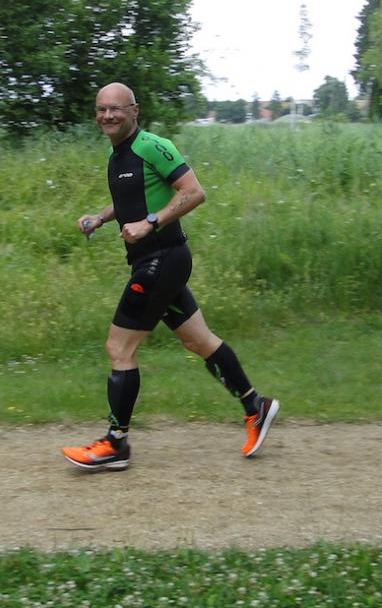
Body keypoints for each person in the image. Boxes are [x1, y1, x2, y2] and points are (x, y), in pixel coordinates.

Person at [62, 82, 279, 471]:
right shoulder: (117, 154)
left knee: (119, 348)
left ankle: (116, 444)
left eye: (116, 108)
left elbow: (194, 192)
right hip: (157, 262)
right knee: (199, 341)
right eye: (101, 109)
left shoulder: (153, 146)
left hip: (161, 260)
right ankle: (256, 406)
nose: (108, 115)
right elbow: (132, 198)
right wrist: (101, 217)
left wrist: (150, 223)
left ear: (134, 111)